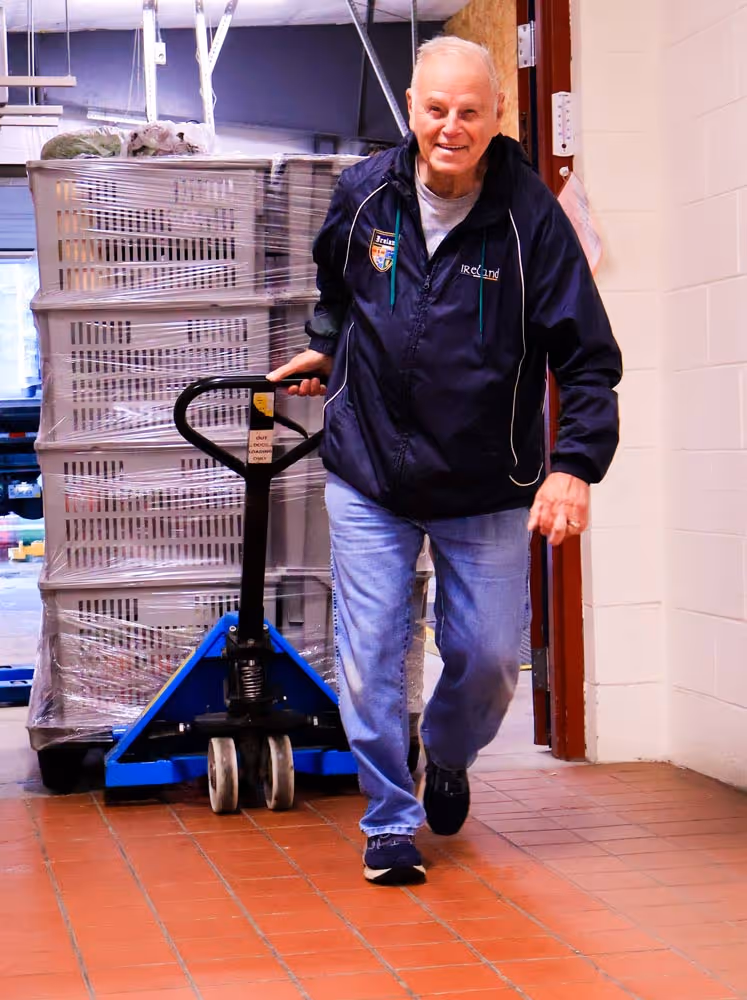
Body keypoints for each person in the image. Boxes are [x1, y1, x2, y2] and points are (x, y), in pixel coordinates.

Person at [268, 36, 622, 886]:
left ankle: (450, 751)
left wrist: (574, 464)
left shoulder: (531, 218)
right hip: (370, 470)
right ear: (412, 109)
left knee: (494, 656)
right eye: (435, 110)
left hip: (484, 478)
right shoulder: (363, 194)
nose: (450, 128)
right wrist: (327, 348)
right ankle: (389, 819)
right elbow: (336, 288)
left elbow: (586, 356)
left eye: (469, 111)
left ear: (497, 116)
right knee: (371, 649)